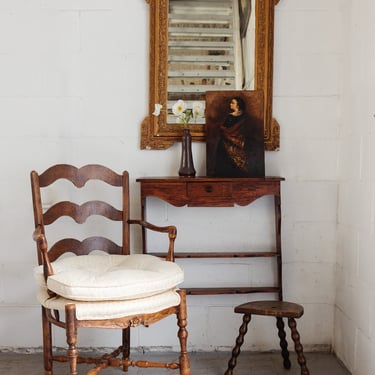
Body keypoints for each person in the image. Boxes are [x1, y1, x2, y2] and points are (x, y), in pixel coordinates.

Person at [214, 96, 264, 177]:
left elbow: (246, 130)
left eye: (233, 103)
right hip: (231, 141)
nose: (230, 104)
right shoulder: (231, 116)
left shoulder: (243, 117)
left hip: (240, 142)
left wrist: (231, 135)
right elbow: (225, 130)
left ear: (238, 105)